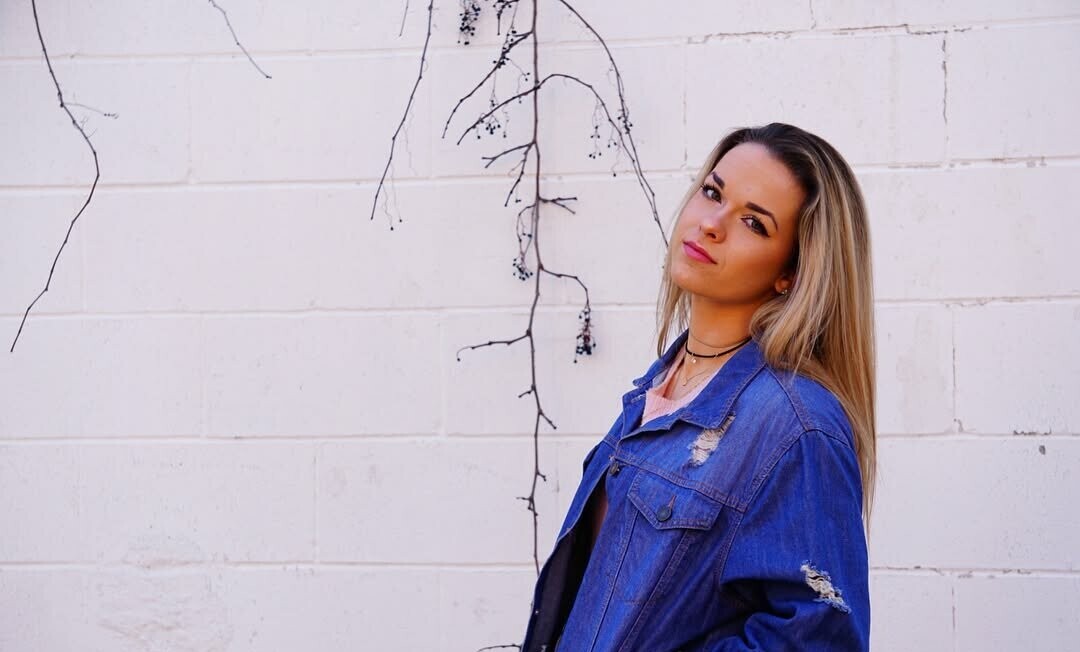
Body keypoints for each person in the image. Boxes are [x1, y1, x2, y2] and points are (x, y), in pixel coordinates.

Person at [521, 123, 876, 651]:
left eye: (754, 223)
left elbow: (817, 639)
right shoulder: (659, 389)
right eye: (713, 193)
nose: (711, 224)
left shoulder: (796, 426)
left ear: (792, 272)